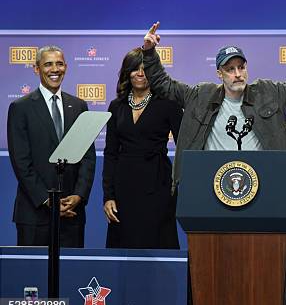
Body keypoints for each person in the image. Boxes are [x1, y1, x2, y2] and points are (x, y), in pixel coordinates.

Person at [141, 21, 286, 190]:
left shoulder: (270, 93)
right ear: (219, 74)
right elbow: (162, 84)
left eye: (241, 67)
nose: (238, 74)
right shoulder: (200, 96)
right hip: (210, 184)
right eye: (230, 69)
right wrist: (149, 52)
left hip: (264, 183)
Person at [7, 45, 95, 247]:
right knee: (32, 277)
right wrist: (48, 200)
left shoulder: (79, 105)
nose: (54, 69)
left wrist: (79, 195)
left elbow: (88, 157)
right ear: (36, 69)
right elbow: (21, 163)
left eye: (59, 64)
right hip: (34, 214)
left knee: (70, 276)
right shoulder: (20, 108)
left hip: (72, 214)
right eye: (48, 64)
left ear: (66, 67)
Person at [102, 48, 183, 249]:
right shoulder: (116, 106)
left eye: (145, 69)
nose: (140, 74)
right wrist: (108, 196)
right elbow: (110, 153)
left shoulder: (168, 103)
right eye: (134, 69)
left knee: (157, 244)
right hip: (124, 188)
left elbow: (184, 143)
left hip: (158, 185)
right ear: (126, 72)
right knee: (124, 247)